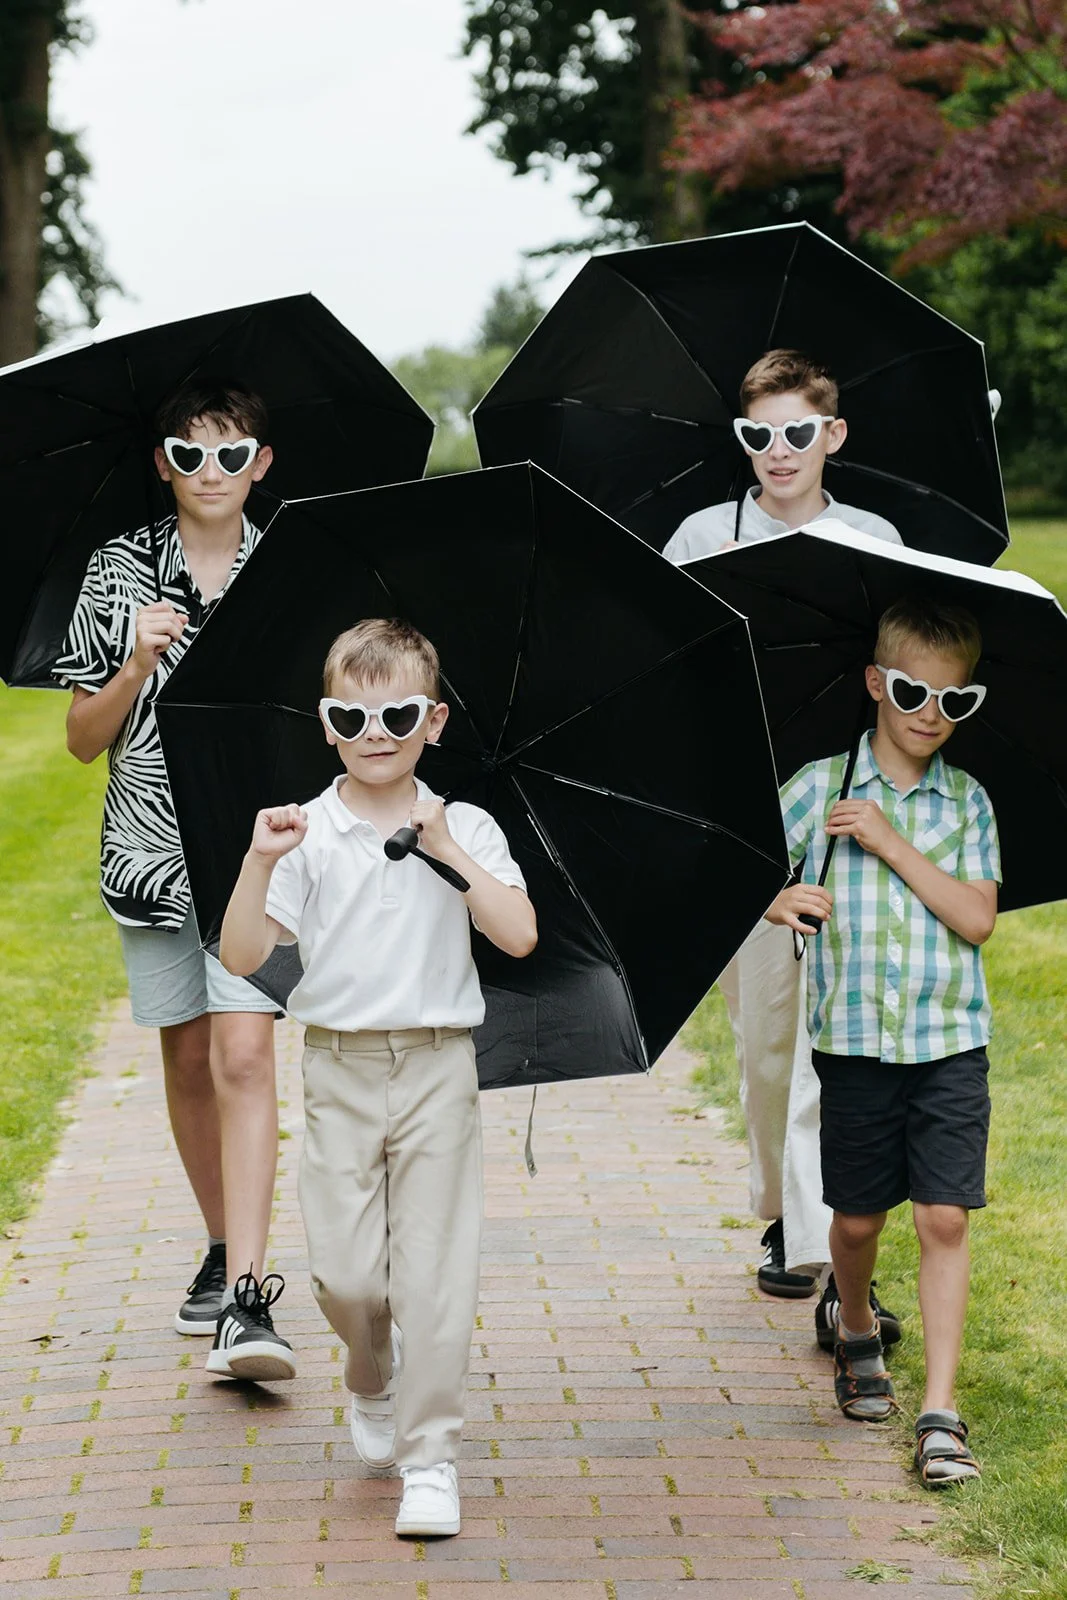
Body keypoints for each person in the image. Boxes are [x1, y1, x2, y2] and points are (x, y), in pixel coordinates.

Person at [219, 618, 537, 1538]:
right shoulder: (305, 831)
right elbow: (244, 956)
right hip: (341, 1067)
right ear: (325, 725)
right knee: (347, 1278)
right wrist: (258, 861)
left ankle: (431, 1458)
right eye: (350, 715)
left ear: (433, 721)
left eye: (398, 712)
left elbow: (516, 933)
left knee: (437, 1271)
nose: (376, 732)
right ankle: (371, 1367)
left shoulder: (463, 824)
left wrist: (446, 851)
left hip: (438, 1062)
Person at [54, 380, 295, 1380]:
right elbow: (79, 740)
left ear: (261, 463)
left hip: (258, 856)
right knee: (190, 1059)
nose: (211, 474)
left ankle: (246, 1294)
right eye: (189, 455)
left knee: (245, 1051)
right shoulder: (118, 569)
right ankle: (216, 1238)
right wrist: (132, 665)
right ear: (161, 462)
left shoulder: (290, 561)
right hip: (151, 856)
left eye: (231, 454)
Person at [664, 350, 903, 1332]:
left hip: (848, 812)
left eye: (795, 432)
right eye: (755, 434)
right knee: (768, 1047)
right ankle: (782, 1211)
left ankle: (838, 1258)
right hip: (748, 816)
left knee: (845, 1050)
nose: (776, 452)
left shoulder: (874, 539)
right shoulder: (697, 538)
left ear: (831, 436)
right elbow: (664, 670)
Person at [766, 598, 998, 1486]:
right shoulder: (818, 789)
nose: (928, 712)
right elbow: (742, 869)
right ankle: (854, 1322)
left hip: (947, 1042)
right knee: (855, 1221)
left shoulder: (967, 802)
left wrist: (893, 843)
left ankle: (938, 1411)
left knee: (943, 1214)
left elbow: (976, 918)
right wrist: (777, 899)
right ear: (875, 682)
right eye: (910, 690)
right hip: (856, 1043)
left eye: (953, 700)